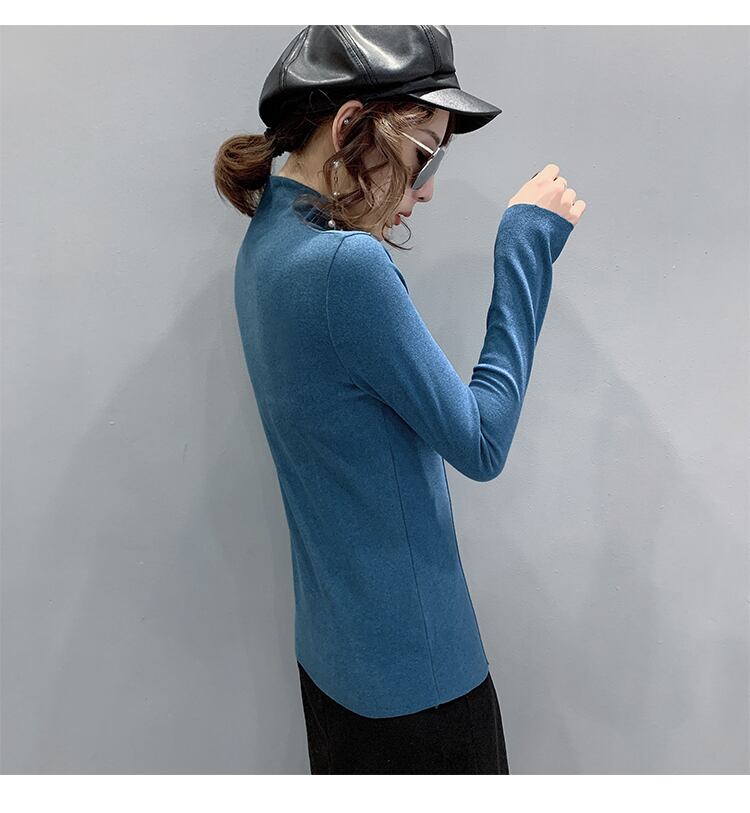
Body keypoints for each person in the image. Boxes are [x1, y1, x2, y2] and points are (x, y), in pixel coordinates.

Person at [214, 25, 585, 774]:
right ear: (350, 124)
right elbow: (481, 442)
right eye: (425, 155)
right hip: (419, 684)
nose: (427, 189)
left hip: (332, 664)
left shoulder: (265, 245)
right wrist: (525, 243)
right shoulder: (344, 265)